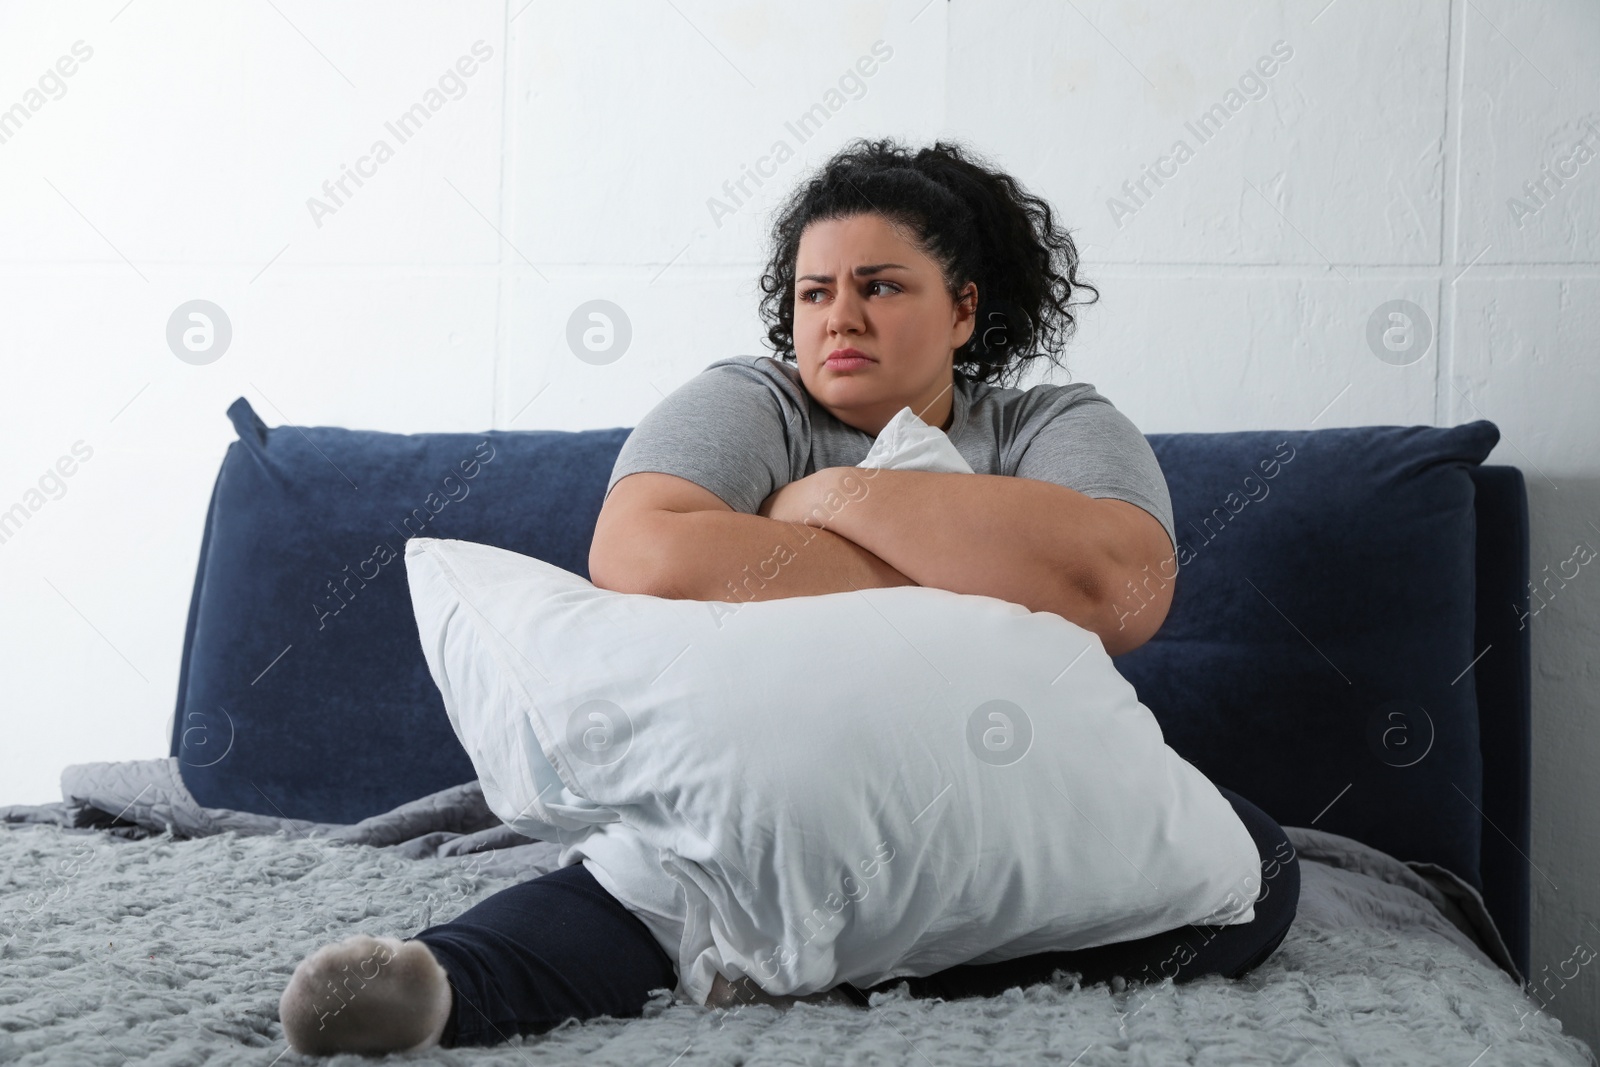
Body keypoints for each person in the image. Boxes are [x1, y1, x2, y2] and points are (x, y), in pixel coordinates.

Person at [277, 137, 1300, 1055]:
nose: (839, 316)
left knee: (1253, 864)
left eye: (881, 286)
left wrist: (835, 494)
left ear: (963, 308)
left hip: (1003, 783)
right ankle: (447, 980)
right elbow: (640, 554)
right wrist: (979, 575)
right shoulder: (753, 400)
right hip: (775, 778)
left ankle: (826, 956)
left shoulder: (1053, 424)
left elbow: (1119, 588)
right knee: (681, 854)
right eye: (814, 292)